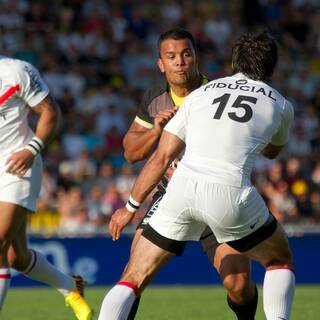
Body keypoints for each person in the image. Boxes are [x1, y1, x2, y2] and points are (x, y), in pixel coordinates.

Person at [99, 31, 295, 320]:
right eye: (171, 56)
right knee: (278, 260)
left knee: (236, 284)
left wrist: (128, 208)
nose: (180, 62)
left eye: (186, 54)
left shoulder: (203, 92)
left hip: (184, 191)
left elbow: (160, 157)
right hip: (216, 193)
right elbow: (273, 151)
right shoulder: (280, 104)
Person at [0, 56, 92, 320]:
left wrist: (32, 149)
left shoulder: (16, 71)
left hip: (17, 163)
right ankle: (71, 288)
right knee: (16, 257)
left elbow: (50, 111)